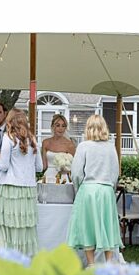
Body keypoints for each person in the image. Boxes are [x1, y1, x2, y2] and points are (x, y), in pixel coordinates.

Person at [67, 115, 121, 266]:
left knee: (87, 227)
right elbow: (115, 172)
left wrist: (78, 189)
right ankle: (108, 263)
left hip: (88, 190)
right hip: (106, 190)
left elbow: (76, 172)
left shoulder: (84, 146)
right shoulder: (111, 147)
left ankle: (91, 264)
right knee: (107, 226)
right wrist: (110, 186)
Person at [0, 109, 43, 256]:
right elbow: (40, 167)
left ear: (9, 121)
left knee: (8, 226)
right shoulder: (33, 139)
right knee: (24, 228)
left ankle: (7, 258)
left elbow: (3, 165)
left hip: (10, 187)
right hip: (28, 189)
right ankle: (24, 258)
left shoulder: (8, 138)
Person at [41, 113, 77, 182]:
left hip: (63, 178)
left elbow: (74, 166)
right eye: (58, 125)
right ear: (52, 127)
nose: (60, 128)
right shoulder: (45, 142)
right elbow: (44, 166)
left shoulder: (70, 145)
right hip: (48, 176)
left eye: (63, 126)